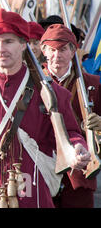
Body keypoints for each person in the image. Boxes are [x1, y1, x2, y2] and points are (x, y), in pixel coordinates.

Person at [0, 9, 90, 208]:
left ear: (23, 44)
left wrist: (77, 146)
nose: (1, 49)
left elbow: (71, 131)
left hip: (32, 185)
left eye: (9, 41)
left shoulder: (49, 90)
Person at [40, 23, 101, 208]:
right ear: (43, 50)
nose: (56, 55)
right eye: (51, 49)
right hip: (41, 167)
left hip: (79, 172)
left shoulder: (93, 84)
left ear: (73, 50)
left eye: (63, 49)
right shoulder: (32, 82)